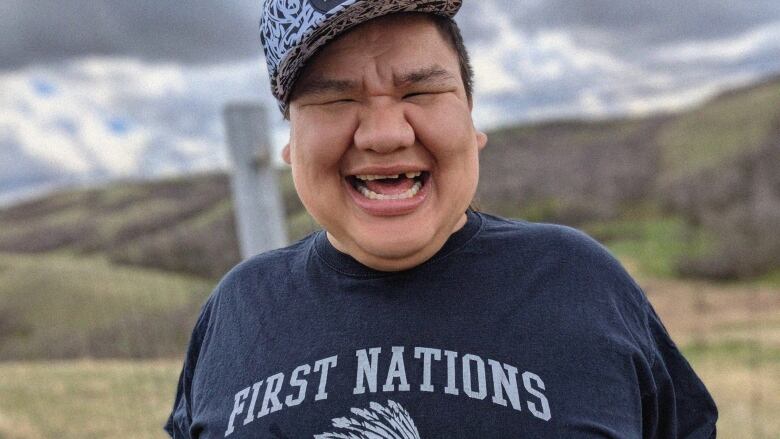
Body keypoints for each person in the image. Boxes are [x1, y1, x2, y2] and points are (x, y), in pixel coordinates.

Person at [166, 1, 718, 437]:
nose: (385, 134)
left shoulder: (584, 283)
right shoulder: (236, 311)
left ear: (472, 122)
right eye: (335, 101)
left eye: (422, 90)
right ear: (290, 145)